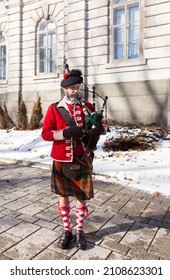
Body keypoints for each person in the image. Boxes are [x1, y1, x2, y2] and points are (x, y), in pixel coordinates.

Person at [42, 69, 107, 250]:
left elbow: (103, 125)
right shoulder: (54, 109)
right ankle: (67, 230)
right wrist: (65, 133)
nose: (75, 91)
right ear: (65, 89)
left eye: (77, 87)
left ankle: (80, 230)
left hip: (82, 157)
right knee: (63, 195)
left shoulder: (87, 106)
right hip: (62, 159)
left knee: (81, 196)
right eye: (71, 88)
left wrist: (99, 130)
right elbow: (46, 134)